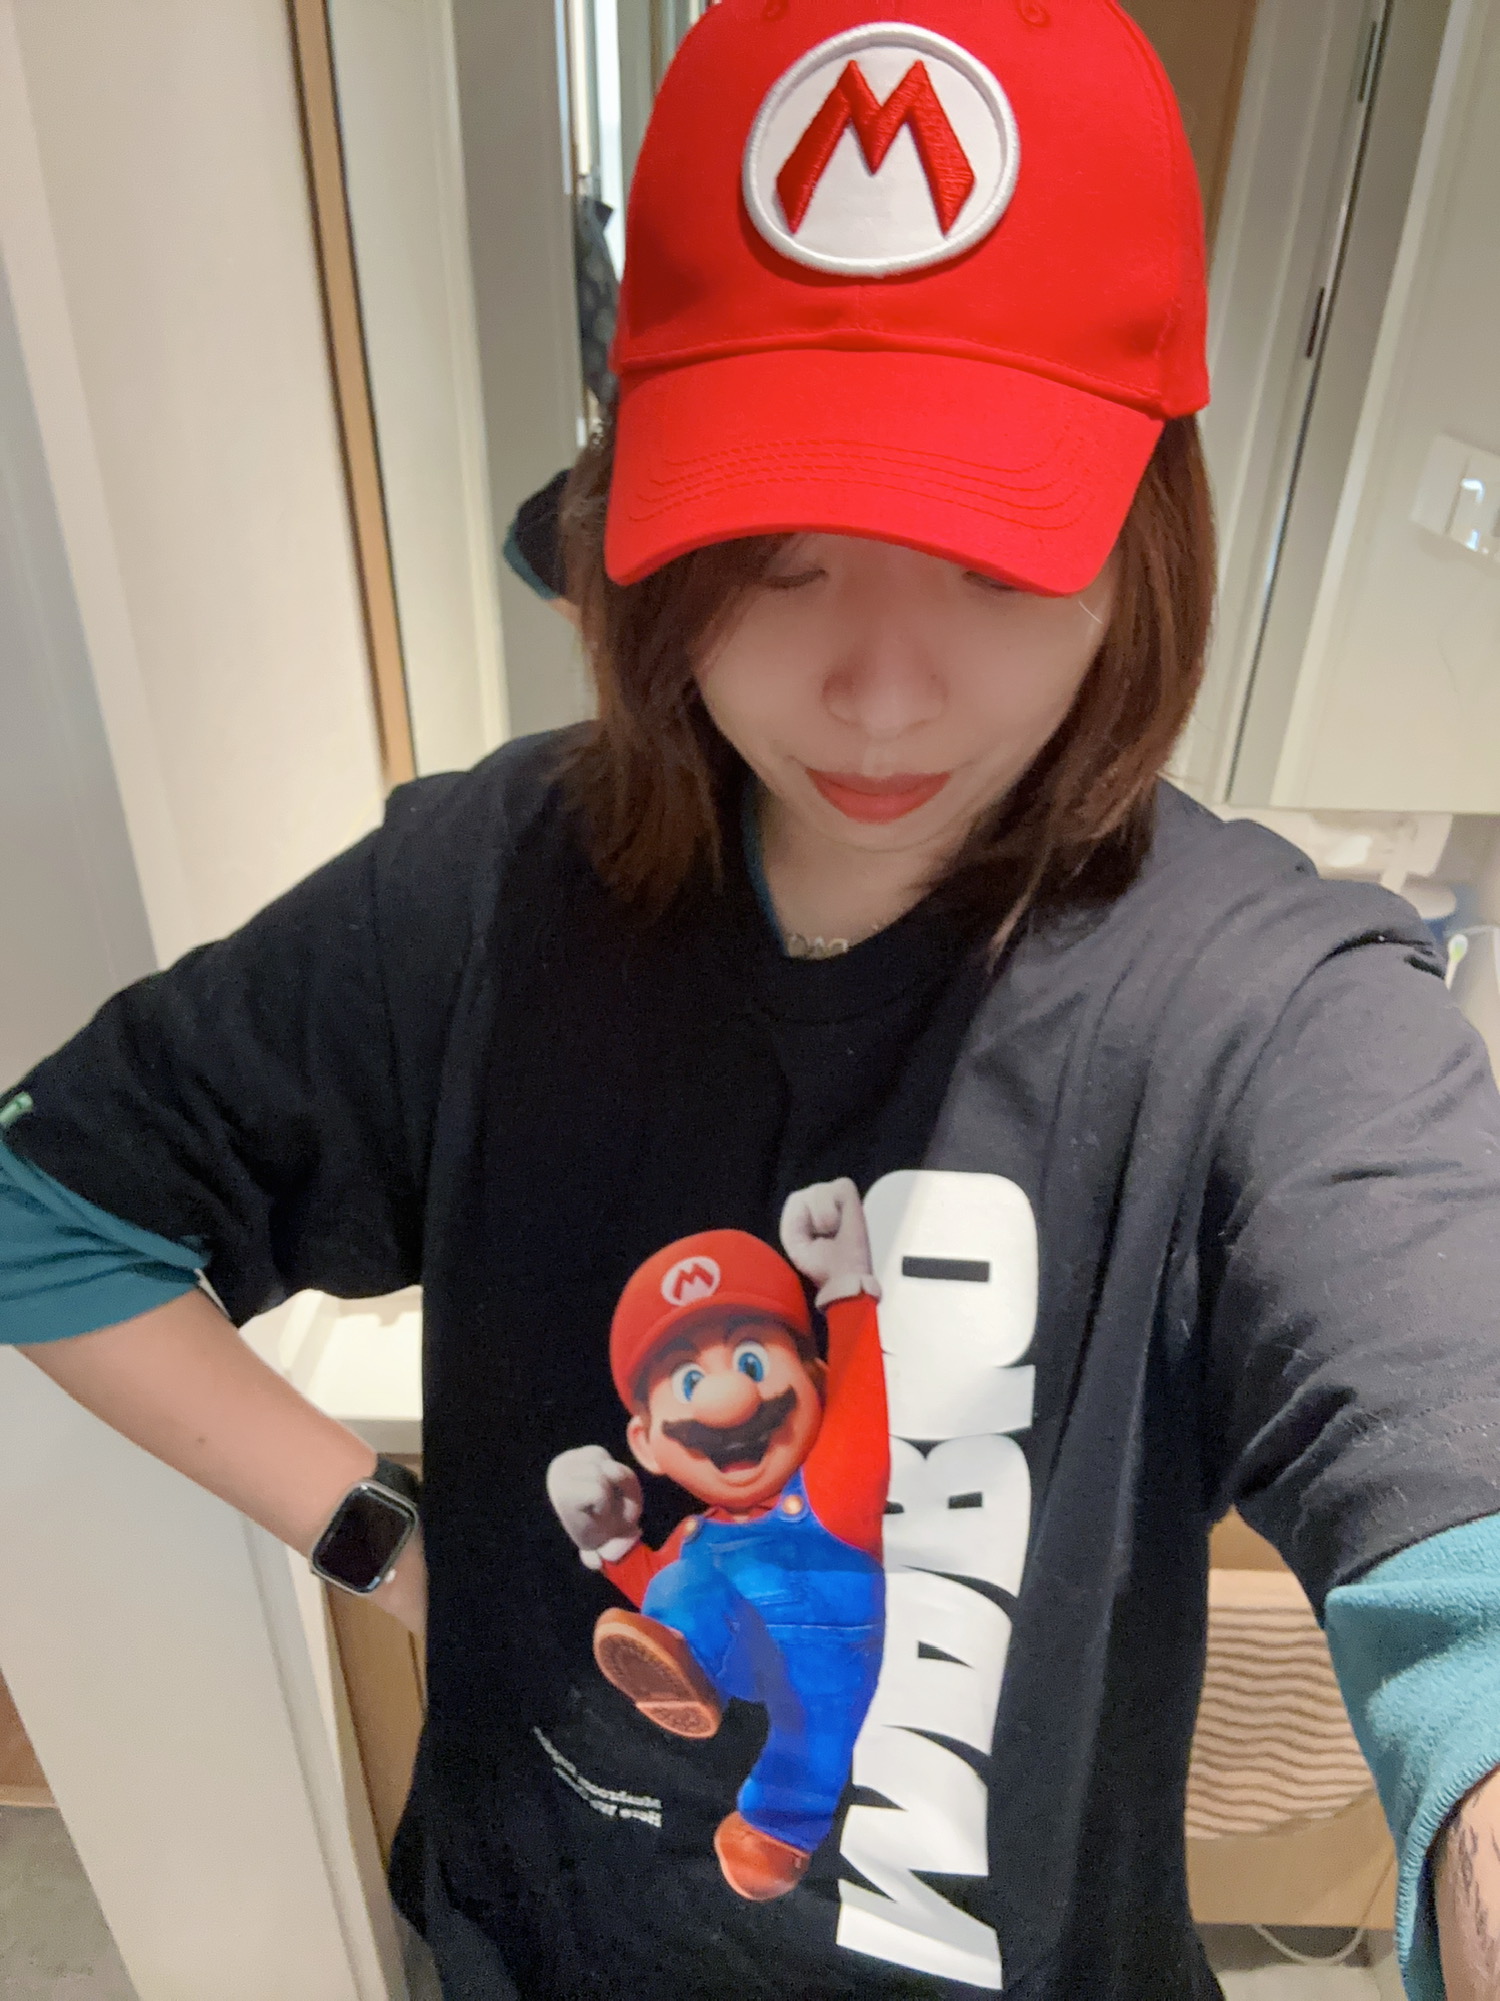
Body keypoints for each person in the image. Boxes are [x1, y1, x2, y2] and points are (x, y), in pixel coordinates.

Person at [4, 3, 1500, 1997]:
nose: (878, 694)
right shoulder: (486, 894)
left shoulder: (1267, 1005)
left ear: (1146, 536)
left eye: (991, 561)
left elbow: (1455, 1463)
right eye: (778, 560)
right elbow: (49, 1217)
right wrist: (385, 1541)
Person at [547, 1187, 889, 1901]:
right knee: (680, 1583)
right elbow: (655, 1597)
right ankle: (687, 1662)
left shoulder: (832, 1494)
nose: (726, 1400)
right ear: (645, 1443)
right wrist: (612, 1542)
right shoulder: (697, 1536)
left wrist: (847, 1291)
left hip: (826, 1649)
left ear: (816, 1382)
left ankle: (775, 1834)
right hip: (734, 1645)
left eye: (752, 1361)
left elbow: (862, 1416)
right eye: (690, 1378)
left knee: (811, 1740)